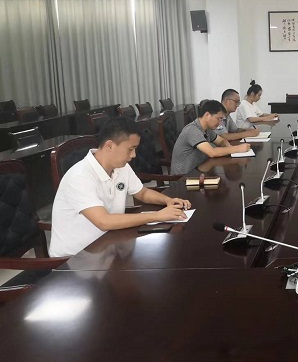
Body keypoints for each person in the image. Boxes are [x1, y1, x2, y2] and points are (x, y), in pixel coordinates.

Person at [49, 117, 191, 257]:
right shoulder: (80, 176)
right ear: (109, 145)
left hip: (108, 244)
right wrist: (157, 216)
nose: (134, 155)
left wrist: (167, 201)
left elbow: (142, 192)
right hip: (75, 259)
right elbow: (104, 221)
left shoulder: (121, 166)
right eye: (130, 149)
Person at [171, 100, 251, 174]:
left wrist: (228, 147)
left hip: (198, 170)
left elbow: (221, 141)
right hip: (183, 177)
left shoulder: (207, 129)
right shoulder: (192, 130)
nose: (220, 123)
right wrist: (237, 149)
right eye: (218, 119)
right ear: (207, 115)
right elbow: (212, 152)